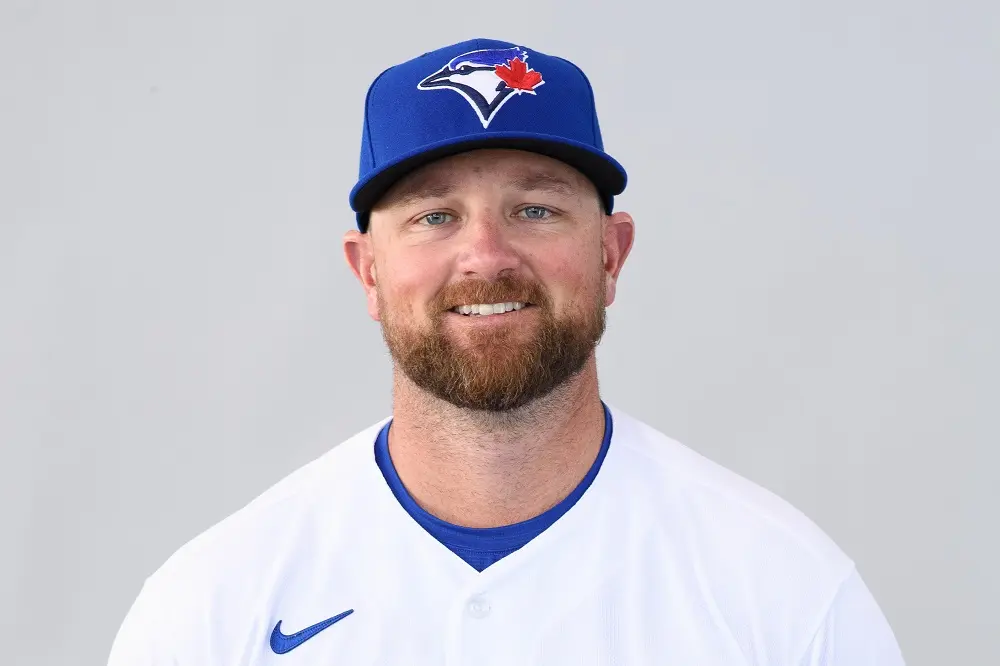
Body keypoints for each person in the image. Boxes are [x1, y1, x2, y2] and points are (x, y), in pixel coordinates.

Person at [108, 38, 906, 665]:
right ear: (369, 271)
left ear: (610, 256)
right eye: (433, 216)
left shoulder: (785, 592)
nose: (486, 256)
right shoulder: (214, 604)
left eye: (534, 208)